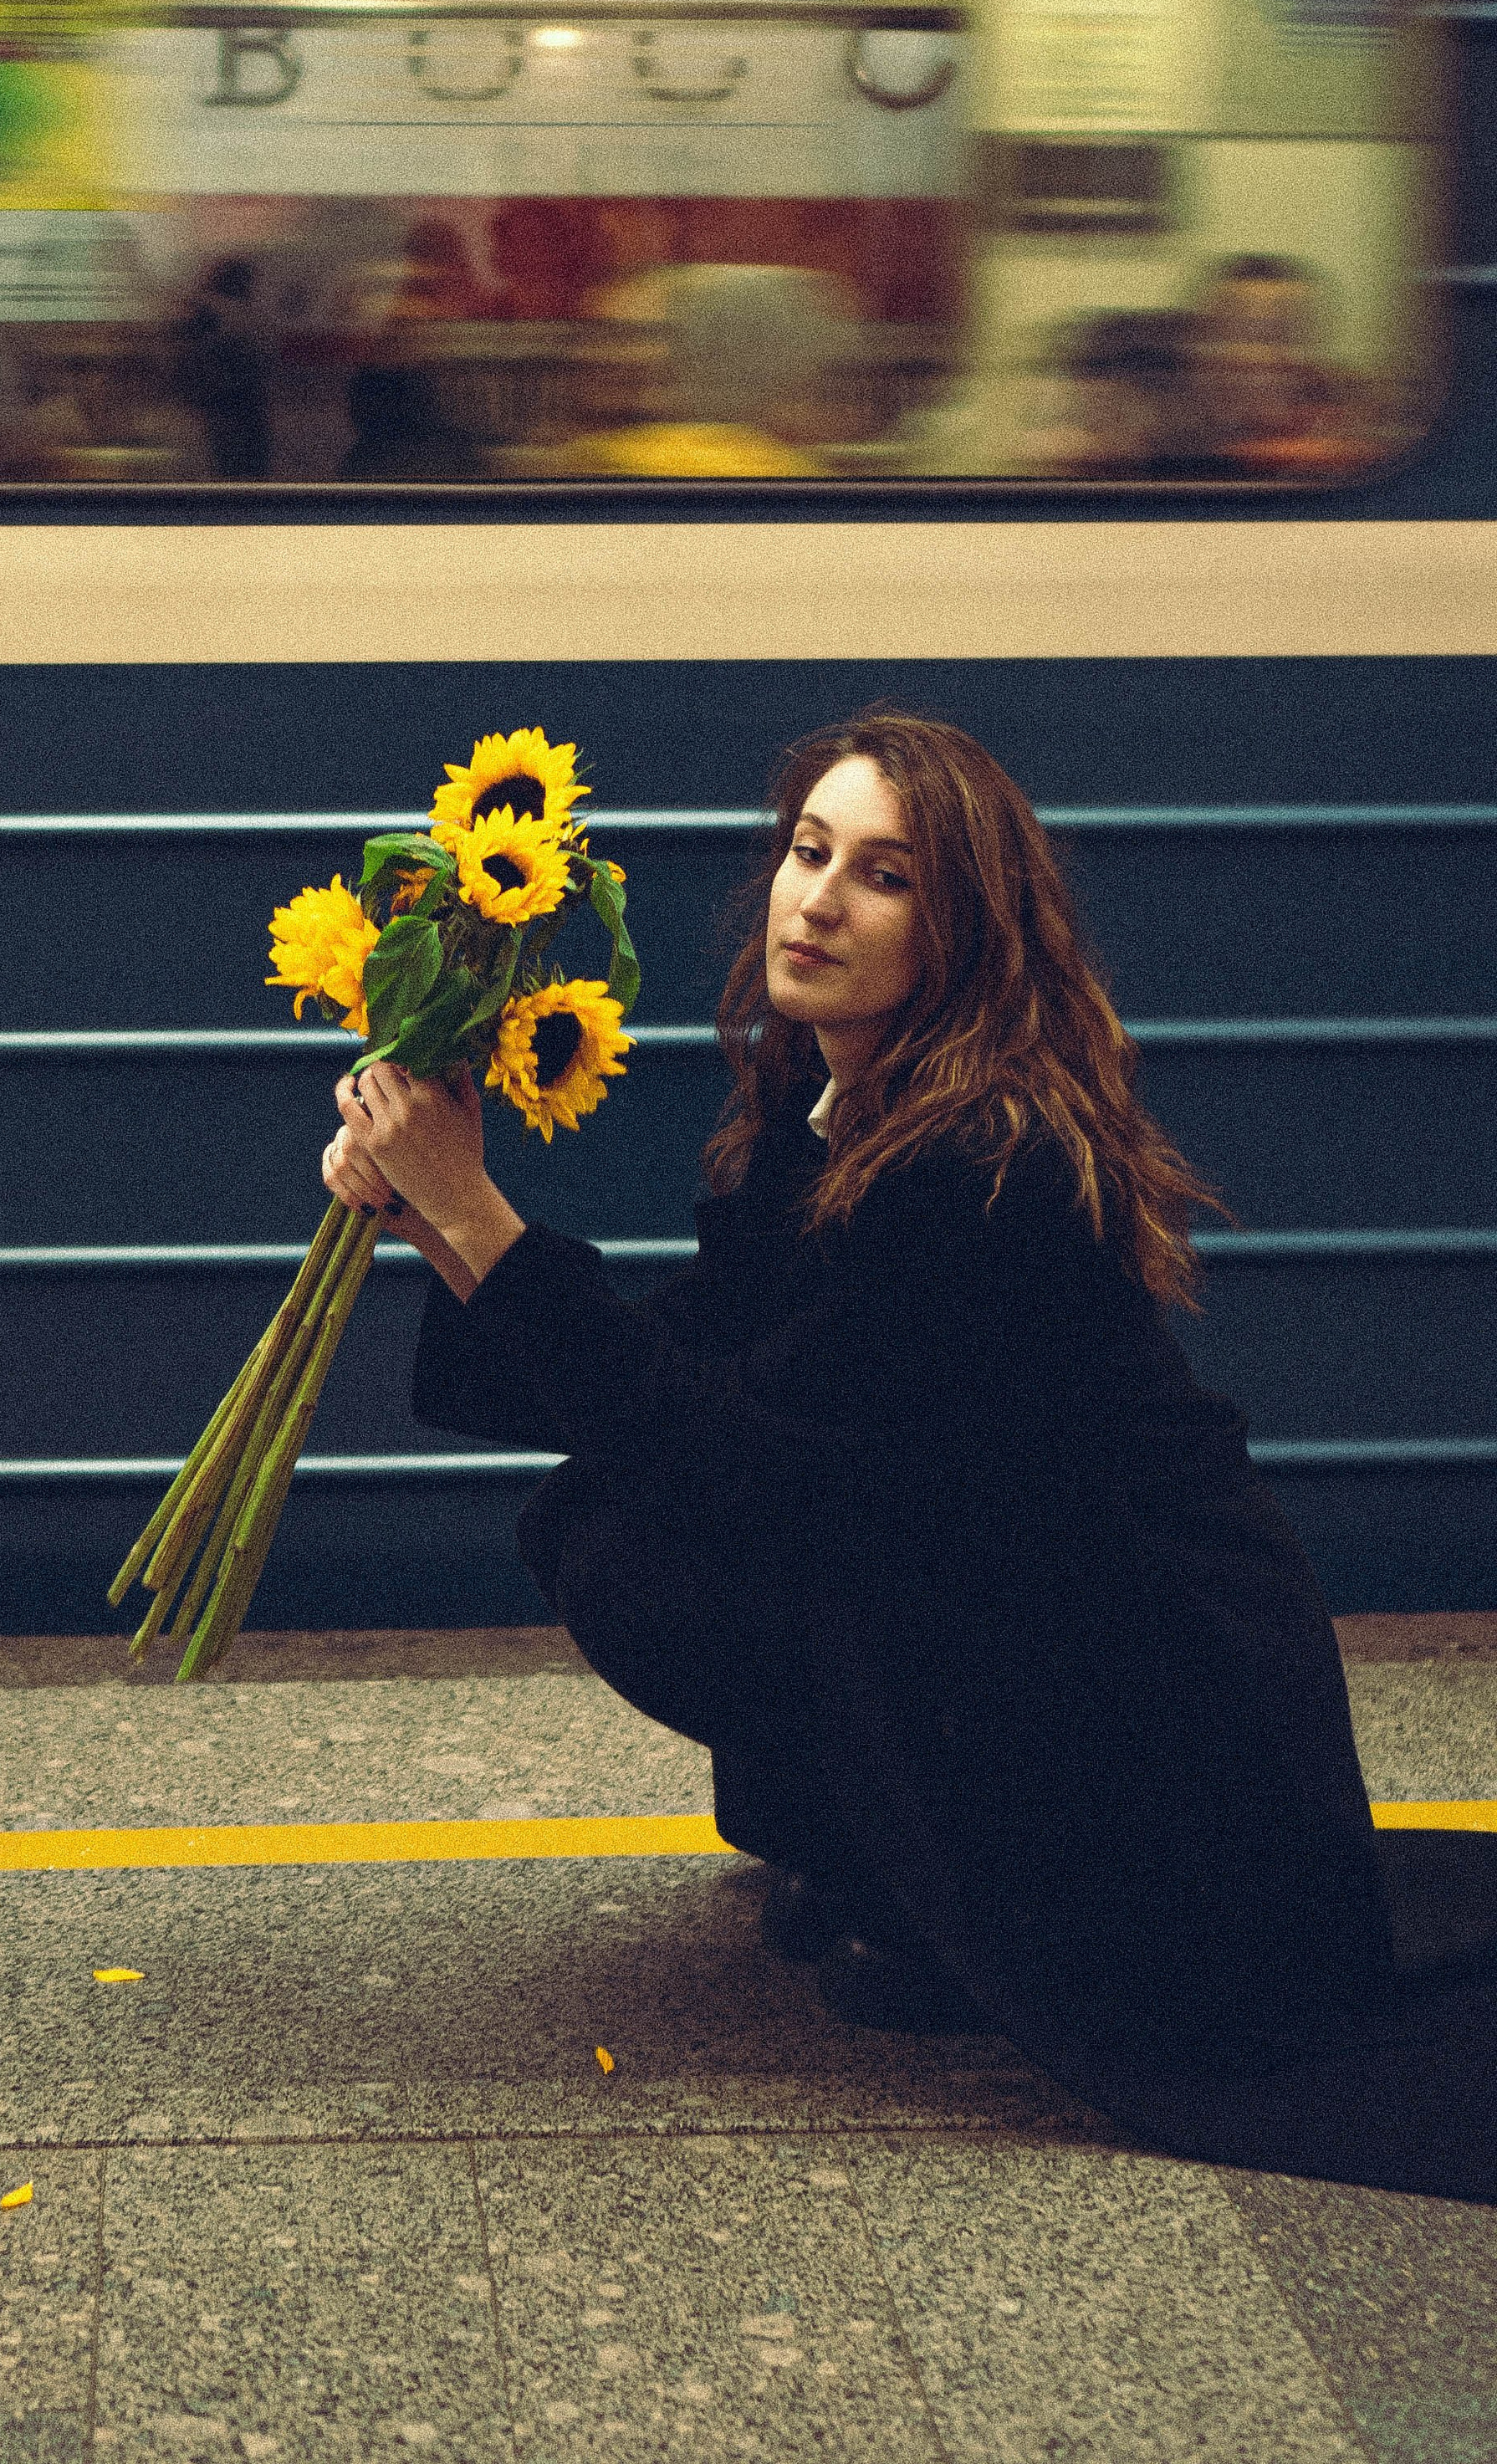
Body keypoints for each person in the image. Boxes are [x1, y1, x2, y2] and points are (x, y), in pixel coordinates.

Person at [320, 709, 1497, 2201]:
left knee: (658, 1536)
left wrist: (483, 1223)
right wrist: (435, 1210)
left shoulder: (979, 1164)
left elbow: (752, 1465)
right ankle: (880, 1852)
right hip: (1037, 1637)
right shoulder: (840, 1110)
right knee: (622, 1511)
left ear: (965, 935)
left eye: (885, 877)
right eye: (809, 851)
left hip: (1142, 1715)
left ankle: (935, 1892)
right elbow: (694, 1355)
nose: (817, 898)